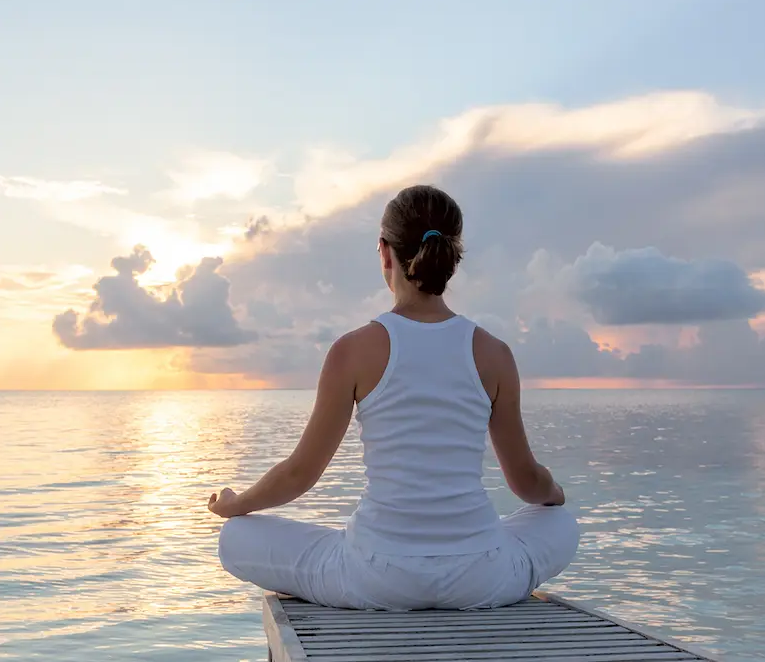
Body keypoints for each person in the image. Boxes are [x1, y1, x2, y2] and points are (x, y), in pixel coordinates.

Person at [208, 185, 579, 610]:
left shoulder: (353, 350)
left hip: (375, 576)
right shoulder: (494, 353)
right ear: (453, 257)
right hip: (481, 575)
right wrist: (555, 492)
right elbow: (526, 482)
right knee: (560, 522)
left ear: (385, 253)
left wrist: (238, 504)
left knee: (235, 537)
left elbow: (299, 474)